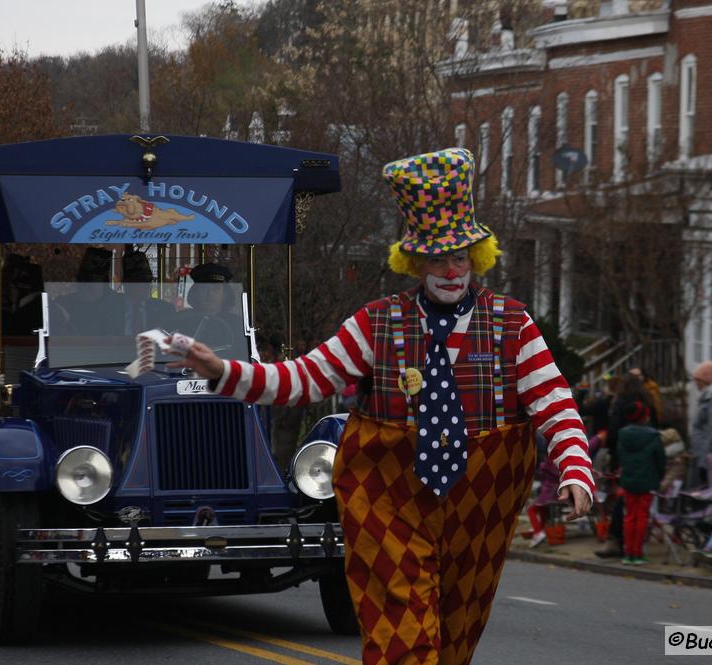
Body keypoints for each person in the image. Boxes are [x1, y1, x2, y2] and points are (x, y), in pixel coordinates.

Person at [168, 148, 594, 665]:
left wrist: (574, 467)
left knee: (455, 640)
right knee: (405, 639)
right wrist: (225, 372)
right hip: (391, 499)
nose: (451, 269)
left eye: (460, 256)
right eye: (437, 257)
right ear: (414, 262)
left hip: (480, 506)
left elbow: (553, 400)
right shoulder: (377, 322)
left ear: (477, 257)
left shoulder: (513, 323)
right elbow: (302, 379)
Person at [615, 401, 665, 565]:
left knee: (629, 516)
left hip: (628, 480)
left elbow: (620, 457)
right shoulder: (654, 436)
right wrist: (658, 477)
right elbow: (660, 460)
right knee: (642, 516)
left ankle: (628, 551)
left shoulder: (622, 434)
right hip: (647, 480)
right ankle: (637, 552)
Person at [174, 262, 239, 350]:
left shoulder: (236, 324)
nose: (210, 294)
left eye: (216, 289)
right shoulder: (182, 320)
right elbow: (175, 354)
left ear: (225, 294)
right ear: (196, 293)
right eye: (204, 289)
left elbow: (241, 357)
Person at [120, 250, 175, 335]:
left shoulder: (164, 310)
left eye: (149, 280)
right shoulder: (112, 309)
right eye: (141, 281)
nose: (147, 285)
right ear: (127, 284)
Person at [689, 361, 712, 489]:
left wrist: (706, 459)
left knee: (705, 488)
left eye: (697, 380)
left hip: (706, 457)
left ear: (706, 377)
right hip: (700, 453)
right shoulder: (708, 394)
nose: (696, 384)